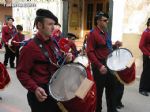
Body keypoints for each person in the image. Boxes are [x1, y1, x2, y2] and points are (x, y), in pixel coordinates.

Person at [16, 9, 73, 112]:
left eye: (54, 24)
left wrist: (66, 59)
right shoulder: (29, 47)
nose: (53, 27)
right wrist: (35, 88)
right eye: (50, 24)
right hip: (41, 95)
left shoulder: (53, 42)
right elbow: (21, 73)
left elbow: (57, 62)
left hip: (56, 90)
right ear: (39, 25)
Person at [86, 12, 122, 112]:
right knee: (99, 92)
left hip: (110, 64)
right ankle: (98, 110)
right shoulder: (92, 34)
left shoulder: (105, 32)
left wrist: (115, 45)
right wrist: (99, 66)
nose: (107, 22)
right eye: (105, 20)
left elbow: (107, 48)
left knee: (112, 89)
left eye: (107, 20)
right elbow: (89, 52)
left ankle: (112, 109)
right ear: (98, 21)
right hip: (100, 65)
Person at [139, 18, 150, 96]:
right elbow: (141, 45)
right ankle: (142, 89)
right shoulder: (145, 33)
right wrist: (148, 54)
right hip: (147, 56)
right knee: (146, 72)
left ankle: (148, 88)